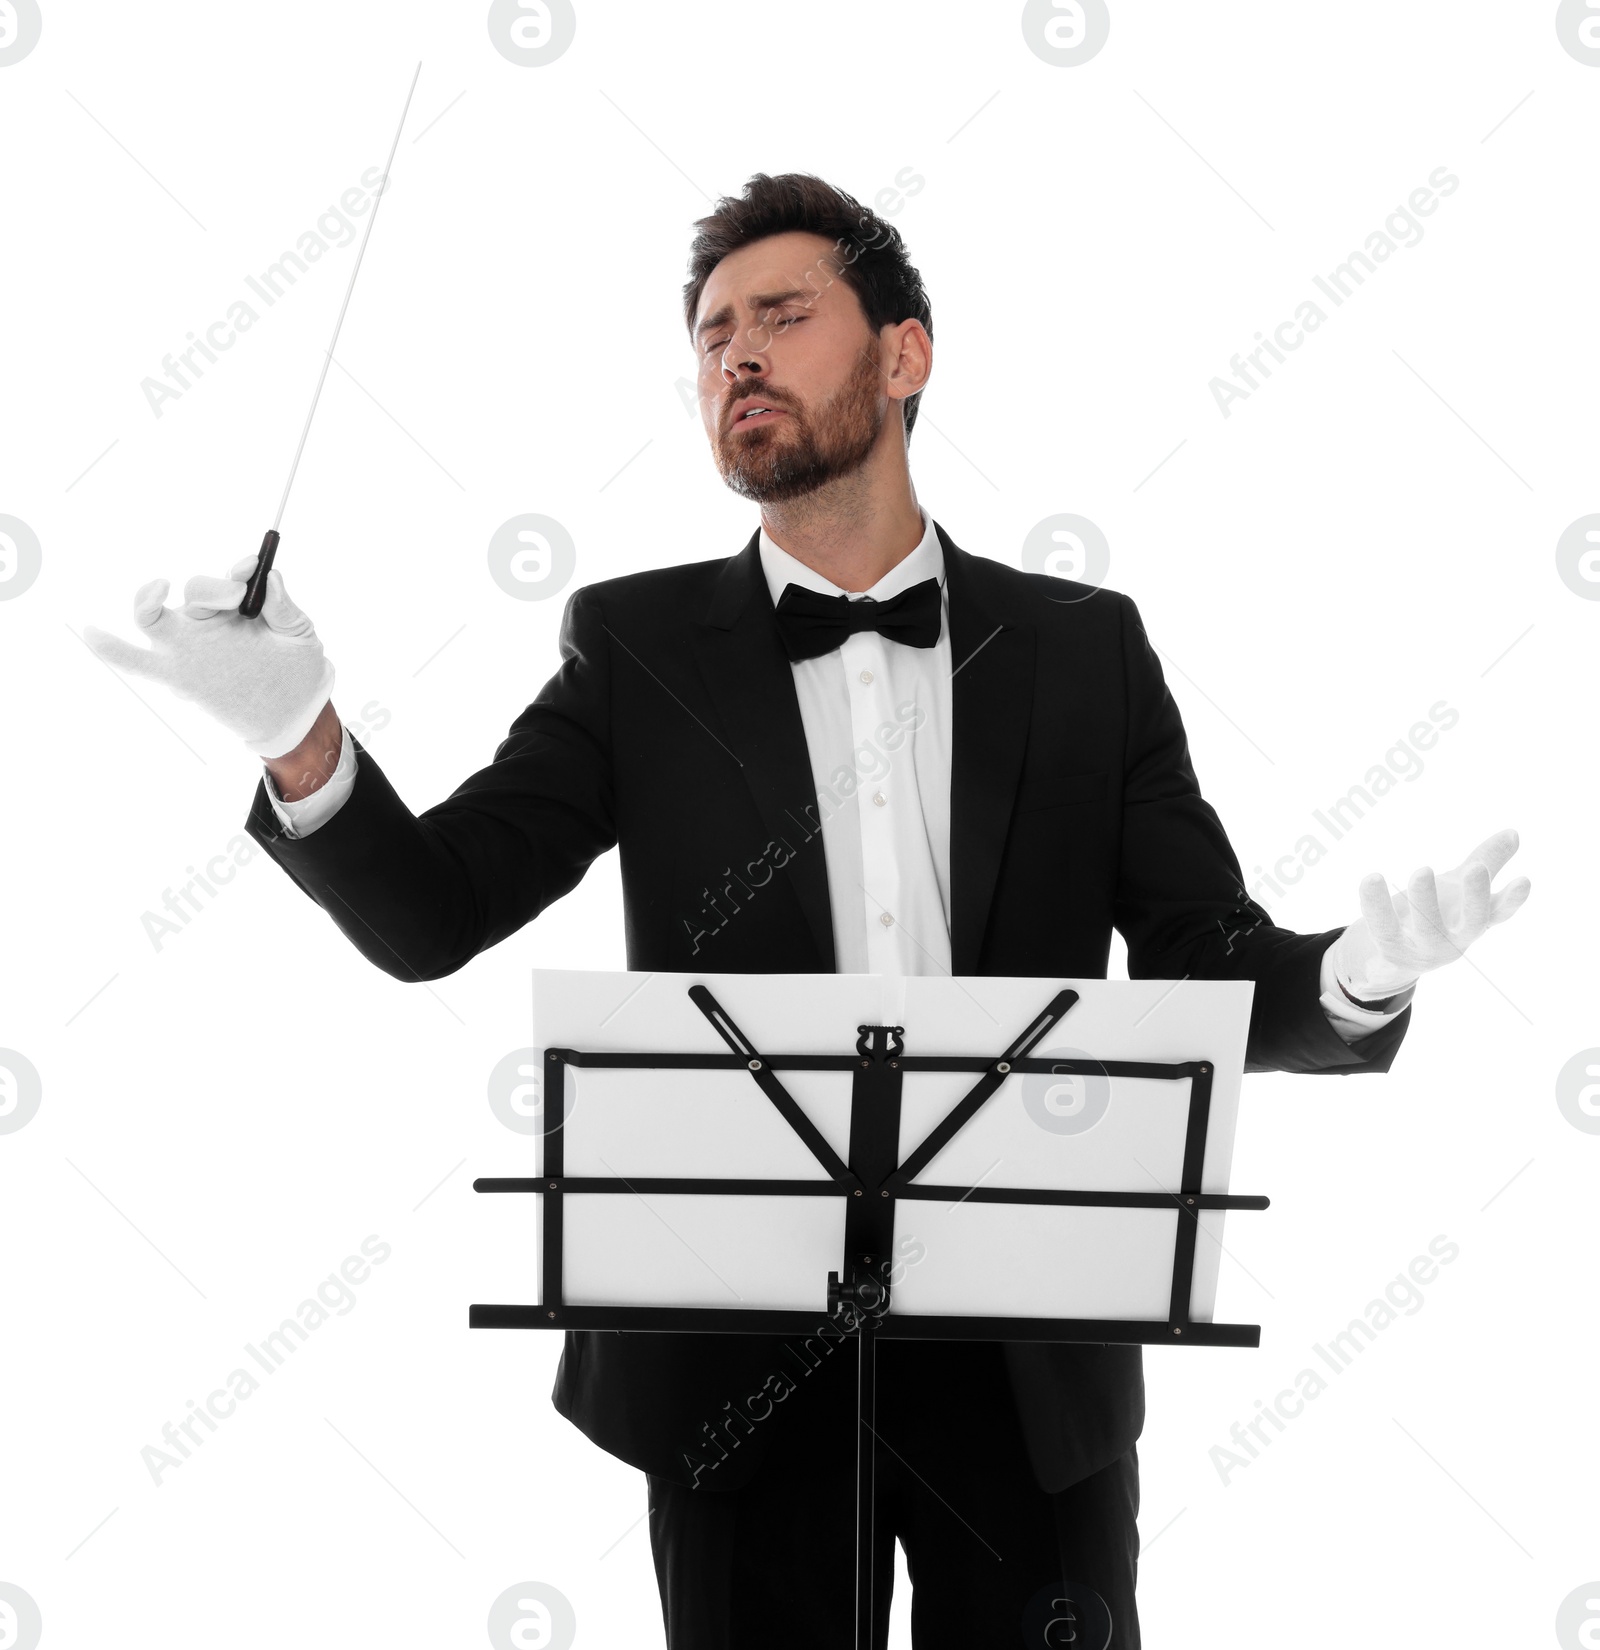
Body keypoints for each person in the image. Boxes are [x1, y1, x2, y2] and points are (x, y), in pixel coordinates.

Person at [84, 171, 1530, 1648]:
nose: (738, 358)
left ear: (905, 354)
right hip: (736, 1372)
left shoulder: (1085, 648)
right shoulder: (633, 643)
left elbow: (1197, 953)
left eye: (782, 315)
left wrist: (1357, 975)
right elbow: (435, 911)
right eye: (713, 337)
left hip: (1030, 1368)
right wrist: (300, 736)